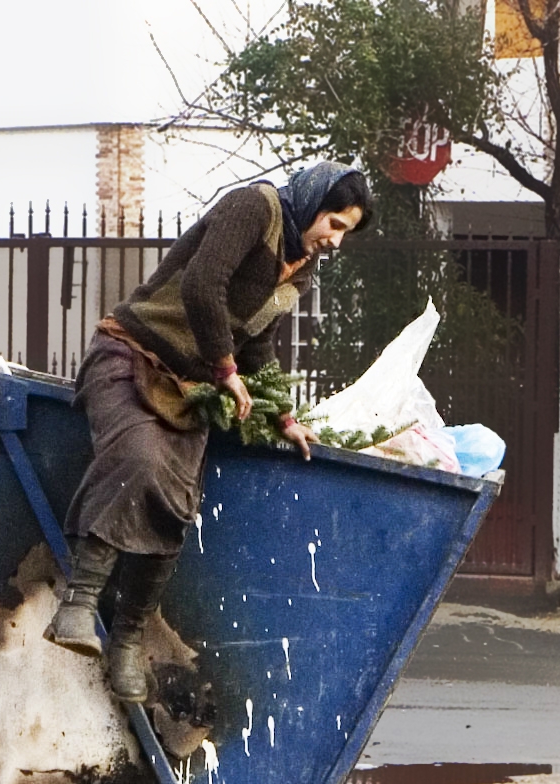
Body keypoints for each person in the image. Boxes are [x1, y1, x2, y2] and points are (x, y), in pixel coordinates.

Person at [44, 162, 372, 703]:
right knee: (140, 459)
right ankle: (77, 605)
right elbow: (203, 285)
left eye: (345, 233)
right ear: (314, 202)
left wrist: (283, 416)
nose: (336, 240)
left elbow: (257, 343)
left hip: (191, 389)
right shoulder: (255, 208)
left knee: (176, 504)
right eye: (334, 223)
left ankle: (127, 639)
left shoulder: (300, 268)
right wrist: (225, 369)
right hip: (132, 356)